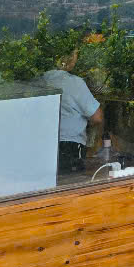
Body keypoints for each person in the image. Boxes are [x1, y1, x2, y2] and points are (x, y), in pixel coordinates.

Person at [41, 47, 103, 175]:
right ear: (69, 59)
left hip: (43, 143)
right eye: (75, 54)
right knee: (71, 181)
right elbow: (97, 117)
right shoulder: (73, 83)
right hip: (69, 146)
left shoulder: (43, 78)